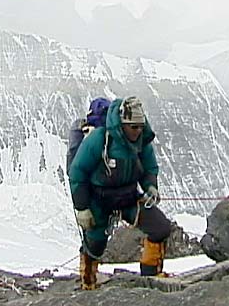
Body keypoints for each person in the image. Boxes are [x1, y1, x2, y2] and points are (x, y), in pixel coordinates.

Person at [68, 96, 171, 290]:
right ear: (122, 124)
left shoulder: (142, 141)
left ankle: (151, 277)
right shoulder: (99, 139)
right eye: (133, 127)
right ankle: (88, 280)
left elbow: (149, 168)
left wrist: (151, 187)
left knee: (160, 228)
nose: (138, 130)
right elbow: (77, 172)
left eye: (140, 126)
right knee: (95, 244)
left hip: (128, 197)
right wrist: (82, 208)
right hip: (99, 200)